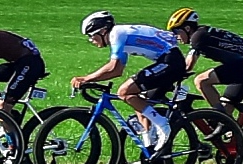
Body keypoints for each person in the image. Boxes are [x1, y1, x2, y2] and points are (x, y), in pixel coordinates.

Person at [72, 11, 182, 151]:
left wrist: (86, 78)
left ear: (103, 31)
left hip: (171, 62)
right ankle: (149, 148)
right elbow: (117, 69)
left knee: (124, 92)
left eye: (92, 36)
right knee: (137, 99)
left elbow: (114, 68)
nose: (91, 40)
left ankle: (163, 125)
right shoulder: (120, 34)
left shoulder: (117, 34)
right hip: (169, 59)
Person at [166, 7, 243, 118]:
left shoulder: (198, 37)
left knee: (201, 81)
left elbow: (187, 66)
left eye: (176, 31)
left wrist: (166, 76)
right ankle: (229, 129)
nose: (175, 36)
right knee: (226, 112)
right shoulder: (202, 33)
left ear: (187, 28)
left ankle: (219, 116)